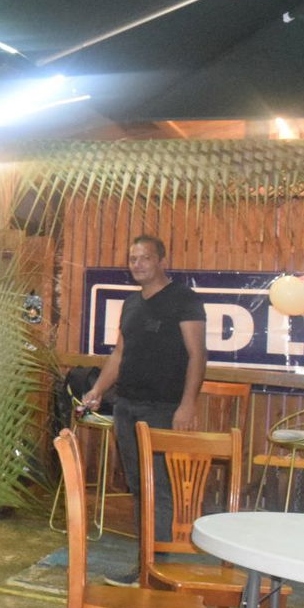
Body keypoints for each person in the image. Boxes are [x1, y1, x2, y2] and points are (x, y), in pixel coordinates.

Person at [78, 234, 206, 584]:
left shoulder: (183, 299)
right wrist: (97, 390)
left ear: (162, 260)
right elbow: (120, 354)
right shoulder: (131, 305)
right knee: (139, 487)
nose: (137, 264)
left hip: (164, 409)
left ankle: (158, 571)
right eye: (133, 258)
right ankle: (145, 565)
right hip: (127, 407)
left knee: (159, 487)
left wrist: (187, 404)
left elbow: (198, 355)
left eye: (145, 258)